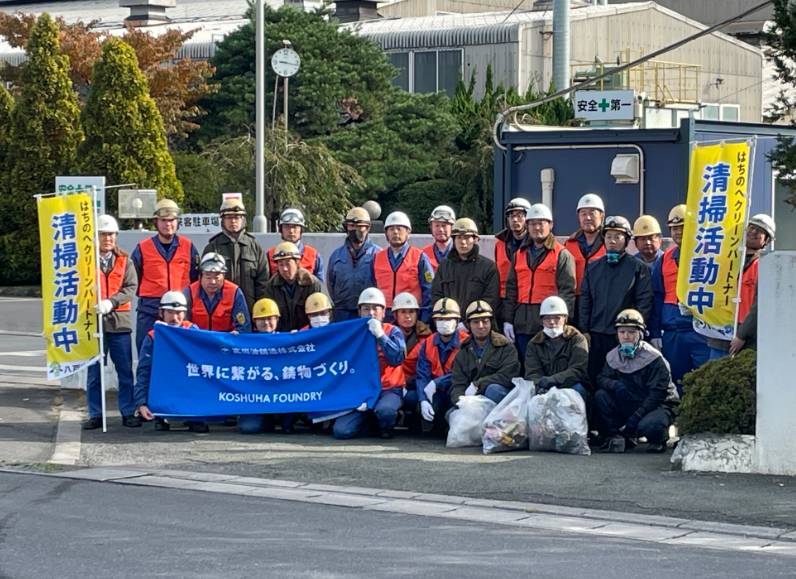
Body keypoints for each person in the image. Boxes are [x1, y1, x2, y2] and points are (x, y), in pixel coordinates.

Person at [579, 216, 653, 385]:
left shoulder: (638, 267)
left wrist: (637, 331)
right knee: (595, 378)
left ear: (627, 240)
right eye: (609, 236)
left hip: (624, 334)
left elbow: (644, 302)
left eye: (618, 237)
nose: (612, 241)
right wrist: (585, 330)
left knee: (625, 379)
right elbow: (585, 301)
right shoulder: (593, 267)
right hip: (596, 334)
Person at [594, 309, 679, 453]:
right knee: (601, 396)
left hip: (658, 406)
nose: (626, 336)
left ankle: (659, 439)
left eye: (631, 332)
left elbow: (657, 394)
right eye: (622, 332)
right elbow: (601, 378)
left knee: (650, 426)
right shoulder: (613, 356)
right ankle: (620, 435)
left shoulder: (654, 359)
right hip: (633, 401)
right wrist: (614, 384)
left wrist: (637, 416)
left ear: (640, 335)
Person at [83, 215, 139, 430]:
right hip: (93, 324)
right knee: (94, 372)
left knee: (124, 371)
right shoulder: (85, 261)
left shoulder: (126, 261)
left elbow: (130, 288)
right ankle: (95, 414)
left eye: (111, 234)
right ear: (95, 237)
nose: (108, 238)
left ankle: (127, 411)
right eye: (103, 234)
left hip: (119, 323)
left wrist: (111, 302)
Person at [504, 203, 576, 358]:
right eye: (532, 223)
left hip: (548, 322)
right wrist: (508, 320)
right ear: (527, 226)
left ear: (550, 225)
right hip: (521, 323)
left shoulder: (562, 255)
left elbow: (567, 291)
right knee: (524, 368)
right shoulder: (519, 255)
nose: (536, 228)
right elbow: (511, 290)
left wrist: (563, 321)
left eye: (541, 223)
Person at [333, 288, 407, 440]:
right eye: (366, 309)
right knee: (341, 431)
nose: (371, 313)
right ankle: (372, 422)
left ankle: (386, 424)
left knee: (386, 410)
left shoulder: (393, 331)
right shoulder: (352, 332)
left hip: (388, 388)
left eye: (375, 308)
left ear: (383, 311)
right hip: (361, 390)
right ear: (359, 311)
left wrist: (381, 336)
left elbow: (397, 359)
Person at [650, 205, 710, 392]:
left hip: (700, 330)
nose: (678, 232)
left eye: (683, 227)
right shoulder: (665, 258)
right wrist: (655, 333)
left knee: (704, 378)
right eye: (674, 228)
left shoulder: (707, 255)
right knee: (677, 380)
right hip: (673, 331)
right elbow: (657, 296)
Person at [130, 199, 200, 352]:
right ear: (156, 222)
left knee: (182, 352)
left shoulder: (188, 246)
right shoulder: (143, 247)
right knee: (146, 351)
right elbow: (134, 278)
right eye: (163, 220)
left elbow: (195, 278)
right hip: (149, 309)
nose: (168, 224)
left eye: (172, 220)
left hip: (180, 309)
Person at [134, 291, 204, 432]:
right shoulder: (153, 337)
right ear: (162, 313)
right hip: (165, 383)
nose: (174, 317)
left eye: (178, 313)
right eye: (170, 312)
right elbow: (144, 371)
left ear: (185, 314)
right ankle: (161, 416)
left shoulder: (193, 331)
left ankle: (196, 417)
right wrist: (141, 403)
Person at [709, 213, 775, 359]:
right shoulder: (726, 259)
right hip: (719, 334)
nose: (753, 232)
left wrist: (742, 335)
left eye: (759, 230)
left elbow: (760, 305)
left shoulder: (764, 265)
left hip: (747, 339)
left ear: (767, 240)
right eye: (751, 227)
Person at [202, 198, 270, 313]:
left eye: (237, 217)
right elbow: (204, 281)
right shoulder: (213, 247)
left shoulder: (254, 246)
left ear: (243, 219)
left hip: (250, 309)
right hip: (220, 311)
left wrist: (259, 310)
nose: (233, 221)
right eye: (229, 217)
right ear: (222, 220)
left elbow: (263, 282)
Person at [524, 296, 591, 410]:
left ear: (565, 318)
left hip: (571, 385)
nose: (552, 322)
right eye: (547, 318)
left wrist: (554, 380)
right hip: (544, 387)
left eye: (557, 318)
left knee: (577, 390)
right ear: (542, 320)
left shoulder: (577, 339)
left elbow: (578, 370)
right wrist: (540, 384)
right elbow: (532, 372)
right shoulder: (534, 343)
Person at [239, 298, 295, 434]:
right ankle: (268, 420)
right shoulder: (245, 344)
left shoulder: (288, 340)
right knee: (248, 427)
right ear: (254, 322)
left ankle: (286, 419)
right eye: (261, 319)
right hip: (257, 399)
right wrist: (231, 340)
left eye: (270, 318)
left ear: (277, 319)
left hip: (283, 395)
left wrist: (299, 339)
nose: (266, 323)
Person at [449, 301, 521, 406]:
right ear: (469, 325)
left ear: (491, 323)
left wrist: (478, 385)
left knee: (493, 390)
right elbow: (458, 383)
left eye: (485, 321)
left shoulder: (505, 347)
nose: (481, 326)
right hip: (473, 401)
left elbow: (508, 376)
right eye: (476, 322)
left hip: (501, 402)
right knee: (451, 414)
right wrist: (461, 401)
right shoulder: (463, 352)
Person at [431, 218, 500, 325]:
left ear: (475, 239)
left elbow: (490, 300)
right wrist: (446, 320)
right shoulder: (444, 267)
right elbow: (436, 296)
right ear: (453, 239)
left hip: (478, 329)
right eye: (458, 237)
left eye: (467, 238)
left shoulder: (488, 267)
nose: (463, 242)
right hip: (447, 326)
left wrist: (468, 324)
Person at [370, 211, 434, 323]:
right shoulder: (377, 257)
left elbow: (429, 289)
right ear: (386, 234)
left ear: (408, 232)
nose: (395, 232)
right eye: (391, 229)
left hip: (410, 315)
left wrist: (424, 319)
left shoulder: (419, 257)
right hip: (385, 316)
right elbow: (370, 288)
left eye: (399, 228)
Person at [416, 298, 468, 435]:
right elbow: (422, 375)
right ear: (434, 321)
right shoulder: (427, 343)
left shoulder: (466, 342)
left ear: (457, 321)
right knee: (423, 403)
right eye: (440, 319)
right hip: (436, 392)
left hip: (457, 388)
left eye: (449, 319)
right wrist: (423, 400)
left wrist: (437, 383)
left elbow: (462, 373)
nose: (444, 323)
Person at [328, 207, 380, 322]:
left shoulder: (378, 254)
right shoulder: (336, 255)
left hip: (368, 313)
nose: (355, 229)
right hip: (342, 313)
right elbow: (331, 283)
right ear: (346, 228)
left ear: (367, 228)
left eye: (360, 226)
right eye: (351, 225)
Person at [264, 242, 328, 332]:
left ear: (297, 263)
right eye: (281, 264)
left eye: (288, 264)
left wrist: (303, 331)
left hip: (307, 336)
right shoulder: (271, 287)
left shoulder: (312, 284)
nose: (285, 269)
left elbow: (326, 313)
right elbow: (266, 317)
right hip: (283, 339)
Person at [392, 292, 432, 431]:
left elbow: (426, 369)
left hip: (413, 385)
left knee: (413, 397)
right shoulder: (386, 335)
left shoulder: (427, 338)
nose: (408, 316)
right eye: (403, 312)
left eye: (411, 312)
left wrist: (406, 383)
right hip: (390, 385)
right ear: (395, 315)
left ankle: (414, 416)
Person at [183, 253, 251, 334]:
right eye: (208, 277)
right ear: (200, 276)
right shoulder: (189, 292)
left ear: (223, 277)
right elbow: (182, 322)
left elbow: (244, 326)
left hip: (225, 342)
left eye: (217, 277)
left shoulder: (234, 292)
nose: (213, 282)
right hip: (197, 340)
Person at [565, 194, 606, 323]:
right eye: (583, 213)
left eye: (592, 213)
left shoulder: (610, 243)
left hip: (601, 303)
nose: (588, 217)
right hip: (575, 303)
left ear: (602, 216)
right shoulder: (569, 244)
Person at [494, 197, 531, 324]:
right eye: (511, 216)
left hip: (527, 302)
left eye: (519, 215)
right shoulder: (500, 244)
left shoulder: (535, 243)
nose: (515, 220)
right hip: (504, 301)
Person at [267, 208, 324, 283]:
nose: (291, 231)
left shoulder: (314, 255)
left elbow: (320, 288)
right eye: (287, 226)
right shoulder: (270, 254)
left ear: (301, 230)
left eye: (295, 227)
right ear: (281, 230)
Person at [422, 205, 456, 273]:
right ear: (431, 227)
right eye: (437, 225)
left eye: (444, 225)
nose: (440, 229)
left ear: (452, 227)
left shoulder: (460, 252)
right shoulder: (423, 253)